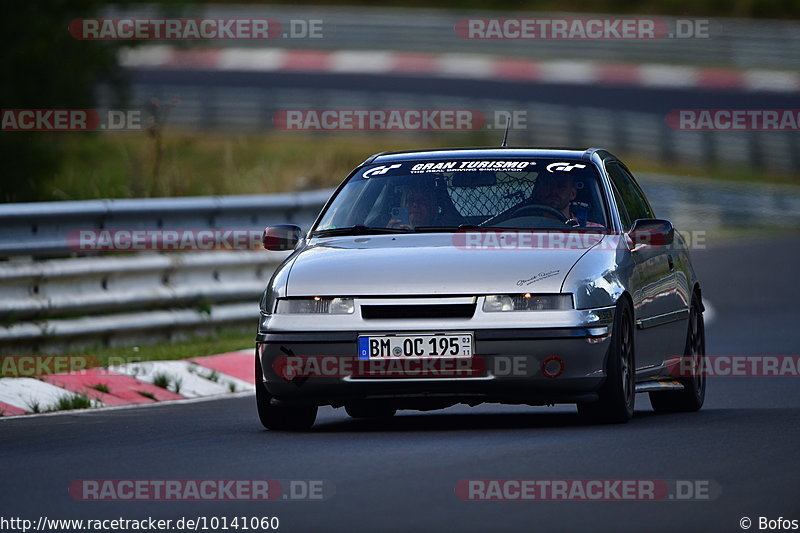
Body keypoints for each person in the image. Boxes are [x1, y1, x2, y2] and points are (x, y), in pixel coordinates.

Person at [530, 173, 604, 227]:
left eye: (561, 186)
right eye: (548, 184)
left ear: (572, 194)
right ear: (538, 191)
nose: (553, 191)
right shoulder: (523, 225)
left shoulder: (595, 232)